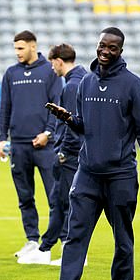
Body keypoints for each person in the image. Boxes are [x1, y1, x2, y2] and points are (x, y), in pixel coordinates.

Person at [41, 27, 140, 280]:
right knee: (75, 234)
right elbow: (85, 126)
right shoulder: (85, 82)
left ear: (120, 51)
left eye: (112, 47)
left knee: (122, 238)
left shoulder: (133, 85)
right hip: (87, 173)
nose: (105, 51)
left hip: (120, 175)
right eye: (102, 46)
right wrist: (69, 119)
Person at [18, 43, 86, 265]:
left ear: (58, 61)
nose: (52, 69)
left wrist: (63, 152)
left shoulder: (72, 86)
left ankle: (49, 249)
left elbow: (73, 124)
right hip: (77, 154)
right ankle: (59, 249)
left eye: (52, 64)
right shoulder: (83, 79)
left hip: (71, 155)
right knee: (64, 203)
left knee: (61, 203)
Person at [0, 30, 62, 257]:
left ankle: (65, 241)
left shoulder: (49, 71)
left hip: (45, 145)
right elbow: (5, 106)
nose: (17, 53)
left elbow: (57, 105)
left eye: (20, 48)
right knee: (25, 197)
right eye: (15, 48)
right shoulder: (11, 73)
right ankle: (32, 240)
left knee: (54, 195)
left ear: (33, 47)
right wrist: (1, 138)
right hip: (18, 146)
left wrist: (48, 133)